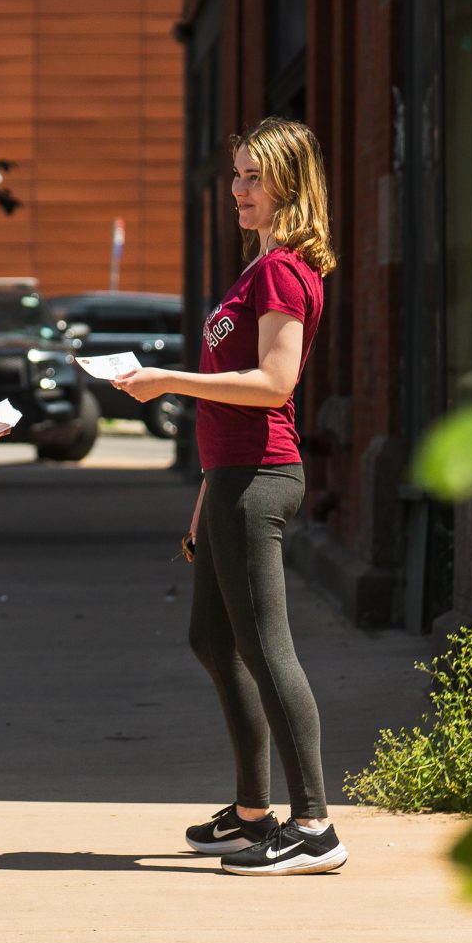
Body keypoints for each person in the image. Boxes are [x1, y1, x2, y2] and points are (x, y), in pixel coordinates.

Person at [114, 116, 344, 875]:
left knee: (264, 647)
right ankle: (252, 814)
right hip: (232, 479)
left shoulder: (282, 272)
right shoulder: (260, 268)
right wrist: (204, 496)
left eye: (252, 177)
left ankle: (314, 827)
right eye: (236, 175)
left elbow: (276, 384)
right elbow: (233, 403)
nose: (237, 190)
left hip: (261, 478)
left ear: (287, 183)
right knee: (214, 640)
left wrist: (167, 380)